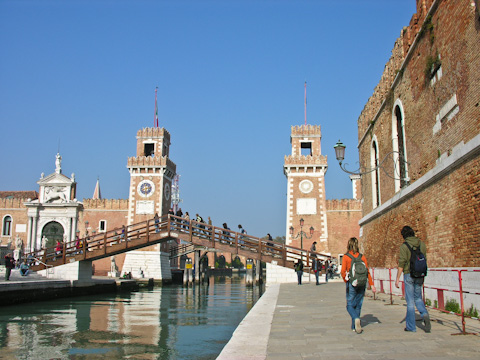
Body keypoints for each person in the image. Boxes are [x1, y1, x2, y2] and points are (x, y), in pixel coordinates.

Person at [395, 226, 431, 333]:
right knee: (418, 298)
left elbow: (401, 263)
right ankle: (424, 314)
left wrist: (397, 279)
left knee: (410, 301)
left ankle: (411, 327)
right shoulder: (421, 244)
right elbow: (424, 259)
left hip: (409, 274)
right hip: (420, 274)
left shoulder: (404, 246)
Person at [341, 237, 376, 334]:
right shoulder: (362, 257)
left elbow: (343, 272)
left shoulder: (346, 257)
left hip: (352, 283)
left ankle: (356, 319)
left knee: (349, 305)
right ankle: (354, 326)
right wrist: (372, 284)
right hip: (362, 283)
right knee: (358, 305)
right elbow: (367, 271)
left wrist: (346, 281)